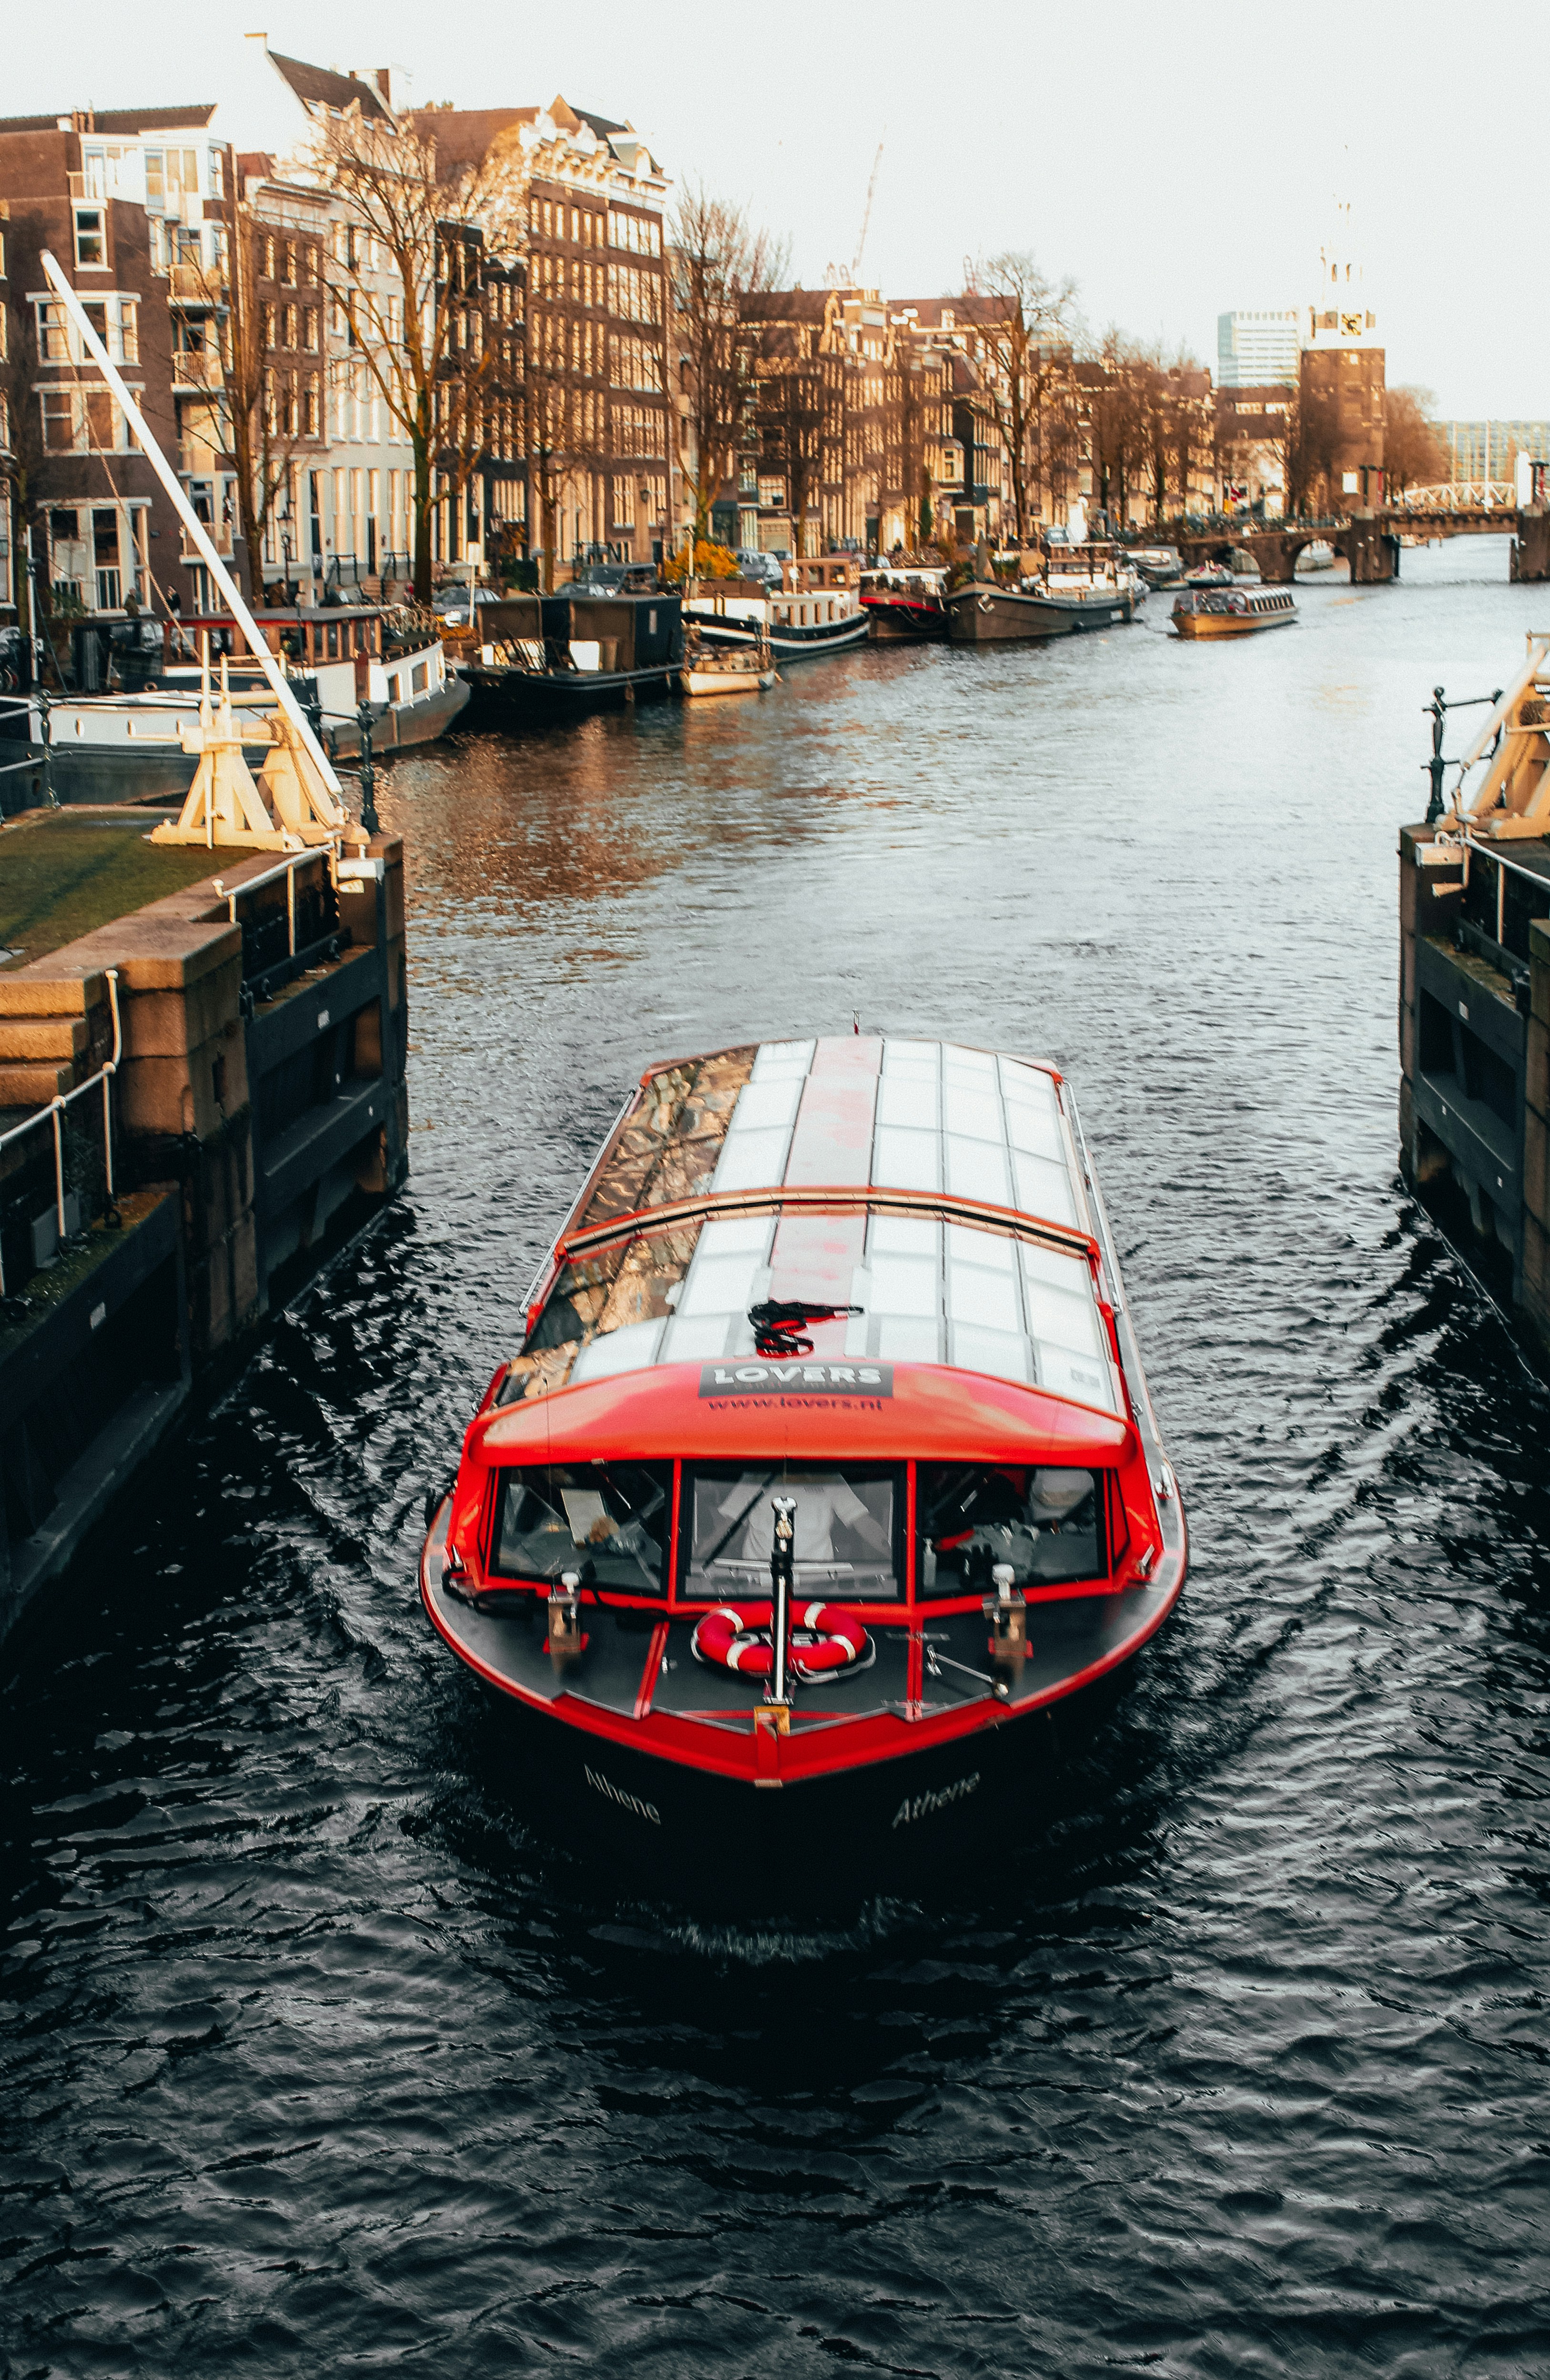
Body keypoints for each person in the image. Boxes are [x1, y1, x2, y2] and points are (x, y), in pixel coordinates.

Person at [717, 1472, 889, 1566]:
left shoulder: (829, 1477)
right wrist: (699, 1556)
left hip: (818, 1580)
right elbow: (728, 1527)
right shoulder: (754, 1477)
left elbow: (863, 1523)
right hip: (758, 1578)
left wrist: (895, 1557)